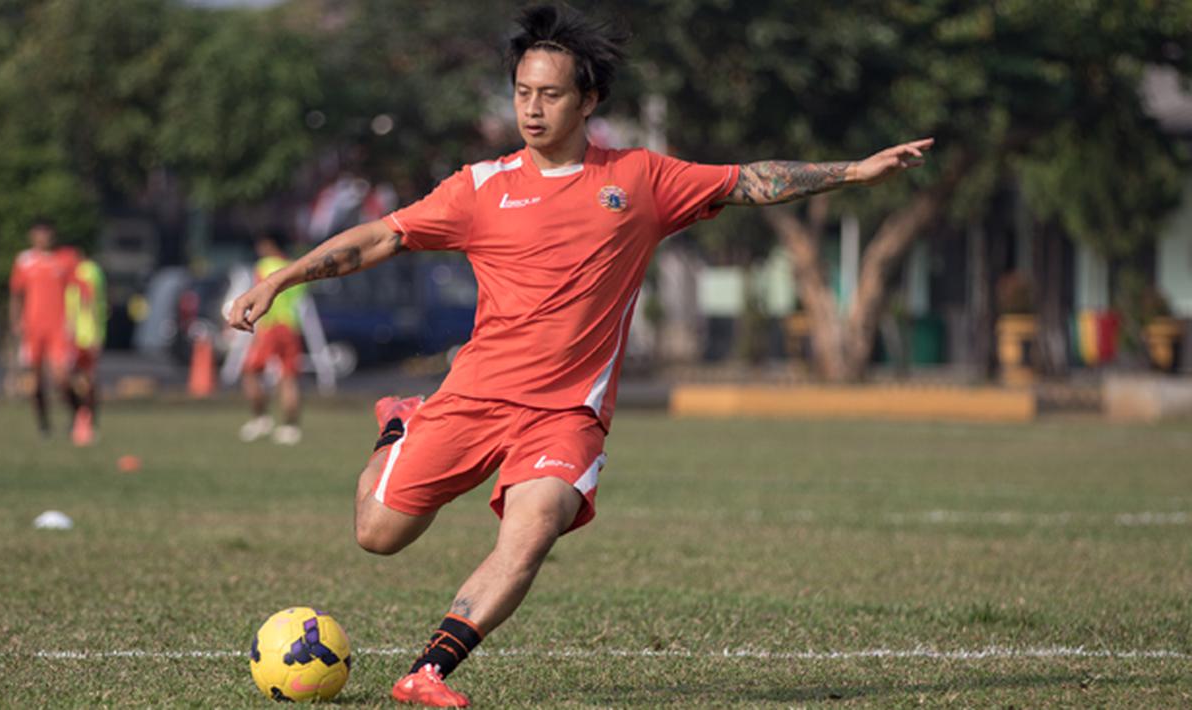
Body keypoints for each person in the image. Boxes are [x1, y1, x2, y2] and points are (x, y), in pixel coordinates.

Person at [228, 6, 932, 707]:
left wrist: (853, 173)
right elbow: (380, 237)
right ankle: (401, 422)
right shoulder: (477, 189)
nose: (531, 109)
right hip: (474, 395)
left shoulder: (640, 179)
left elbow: (746, 180)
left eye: (550, 94)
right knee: (377, 535)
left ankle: (428, 672)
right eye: (521, 92)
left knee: (532, 530)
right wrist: (280, 277)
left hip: (567, 413)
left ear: (588, 99)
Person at [9, 220, 80, 439]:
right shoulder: (24, 260)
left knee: (61, 377)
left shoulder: (65, 258)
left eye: (47, 233)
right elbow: (16, 294)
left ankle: (77, 414)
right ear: (32, 236)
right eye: (39, 233)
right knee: (35, 381)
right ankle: (44, 426)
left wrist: (76, 321)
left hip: (58, 327)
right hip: (33, 328)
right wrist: (15, 321)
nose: (43, 237)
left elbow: (75, 292)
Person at [239, 230, 307, 446]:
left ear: (269, 244)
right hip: (291, 326)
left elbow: (258, 294)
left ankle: (261, 419)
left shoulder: (265, 266)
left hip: (271, 326)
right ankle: (290, 427)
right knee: (288, 377)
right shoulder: (296, 267)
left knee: (249, 371)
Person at [63, 246, 107, 446]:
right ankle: (80, 417)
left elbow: (91, 302)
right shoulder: (70, 272)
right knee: (71, 380)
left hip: (86, 335)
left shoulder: (88, 271)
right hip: (72, 336)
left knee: (86, 380)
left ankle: (86, 419)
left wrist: (97, 333)